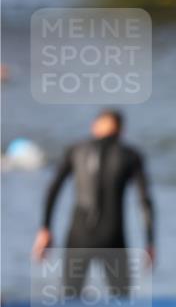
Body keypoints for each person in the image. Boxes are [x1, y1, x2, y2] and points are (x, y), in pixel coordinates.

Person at [32, 109, 155, 295]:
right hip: (113, 236)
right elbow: (144, 201)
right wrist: (150, 242)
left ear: (95, 126)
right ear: (121, 130)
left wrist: (45, 228)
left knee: (71, 297)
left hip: (79, 235)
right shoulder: (131, 155)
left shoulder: (76, 150)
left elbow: (53, 189)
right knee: (121, 299)